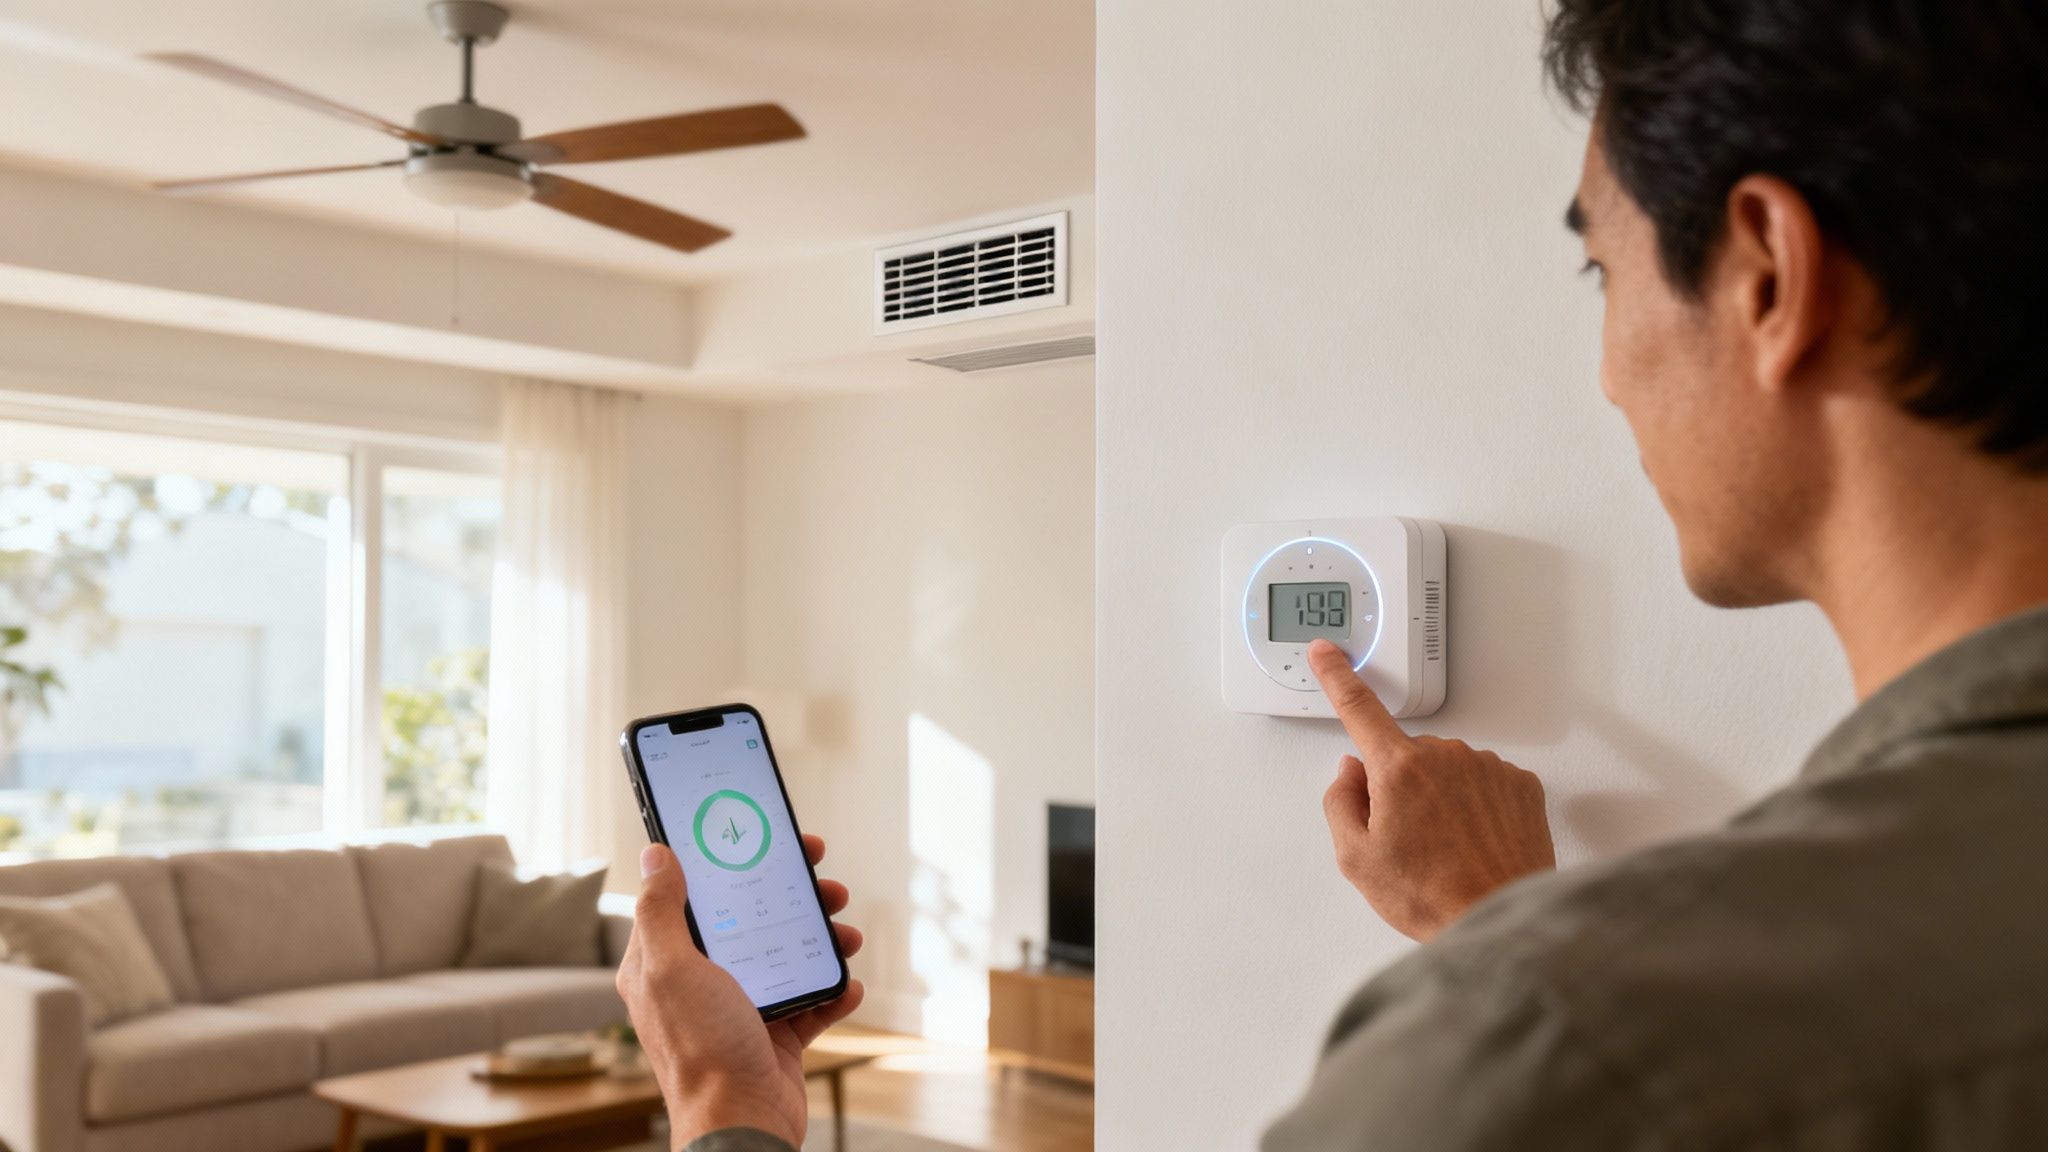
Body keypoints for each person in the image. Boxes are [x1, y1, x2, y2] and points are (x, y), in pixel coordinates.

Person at [618, 0, 2048, 1148]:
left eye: (1599, 277)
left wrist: (730, 1108)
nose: (1607, 378)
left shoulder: (1564, 1041)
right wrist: (1508, 924)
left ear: (1765, 275)